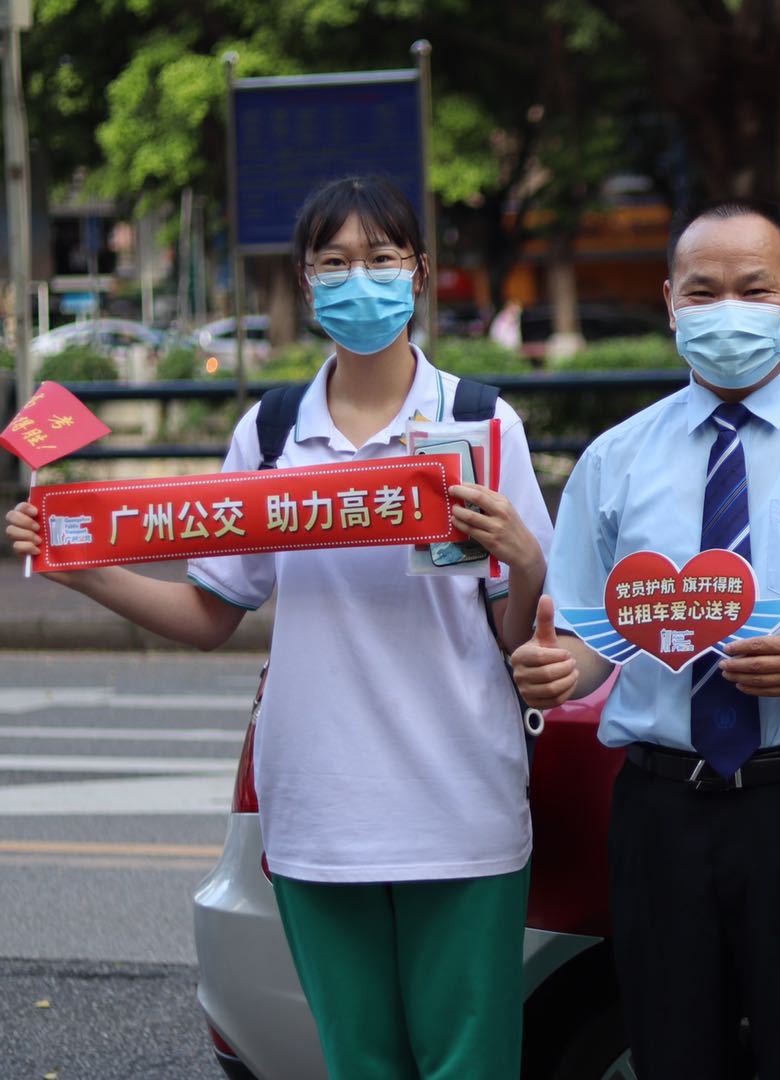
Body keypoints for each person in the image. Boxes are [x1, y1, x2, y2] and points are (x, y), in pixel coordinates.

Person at [7, 176, 552, 1079]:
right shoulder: (271, 432)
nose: (360, 280)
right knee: (356, 1062)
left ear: (418, 272)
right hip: (318, 809)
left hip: (462, 800)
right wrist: (82, 565)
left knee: (471, 1064)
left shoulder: (480, 422)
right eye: (334, 263)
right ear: (305, 283)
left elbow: (516, 631)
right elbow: (211, 614)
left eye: (381, 259)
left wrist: (526, 562)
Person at [511, 197, 780, 1079]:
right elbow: (595, 635)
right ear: (670, 305)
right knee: (674, 1055)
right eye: (703, 290)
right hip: (662, 810)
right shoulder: (615, 460)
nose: (727, 308)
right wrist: (558, 669)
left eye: (754, 287)